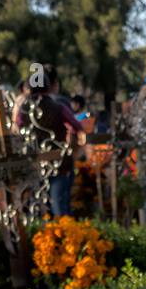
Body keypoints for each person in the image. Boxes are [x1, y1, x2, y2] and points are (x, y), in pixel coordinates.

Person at [23, 64, 93, 217]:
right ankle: (63, 231)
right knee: (59, 205)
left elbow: (17, 128)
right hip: (58, 162)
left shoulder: (23, 109)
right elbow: (76, 126)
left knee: (36, 206)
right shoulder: (59, 107)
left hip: (34, 162)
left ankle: (40, 231)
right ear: (49, 87)